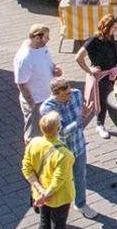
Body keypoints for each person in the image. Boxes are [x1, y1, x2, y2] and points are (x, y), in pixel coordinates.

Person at [22, 113, 78, 229]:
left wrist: (40, 192)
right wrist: (46, 194)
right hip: (59, 198)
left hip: (39, 195)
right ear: (58, 128)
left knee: (44, 222)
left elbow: (27, 168)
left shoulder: (34, 143)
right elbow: (59, 180)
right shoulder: (64, 155)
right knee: (58, 228)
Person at [39, 78, 96, 219]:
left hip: (78, 145)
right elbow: (62, 132)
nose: (70, 96)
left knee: (80, 177)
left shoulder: (76, 93)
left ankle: (81, 204)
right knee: (59, 182)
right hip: (60, 152)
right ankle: (54, 212)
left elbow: (82, 110)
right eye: (66, 94)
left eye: (70, 92)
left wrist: (83, 114)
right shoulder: (48, 108)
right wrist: (81, 118)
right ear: (56, 94)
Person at [76, 15, 117, 139]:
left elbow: (113, 54)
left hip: (111, 74)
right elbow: (78, 58)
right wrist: (89, 71)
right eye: (114, 28)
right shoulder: (93, 40)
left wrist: (116, 68)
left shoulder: (110, 37)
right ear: (106, 27)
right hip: (101, 77)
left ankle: (100, 125)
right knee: (111, 102)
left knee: (103, 102)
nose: (115, 31)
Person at [14, 24, 62, 143]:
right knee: (33, 135)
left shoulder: (42, 48)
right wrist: (31, 103)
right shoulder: (25, 58)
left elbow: (47, 63)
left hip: (48, 97)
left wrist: (55, 69)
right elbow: (21, 83)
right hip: (36, 101)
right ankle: (33, 159)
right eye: (46, 37)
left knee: (49, 128)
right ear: (36, 38)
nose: (49, 39)